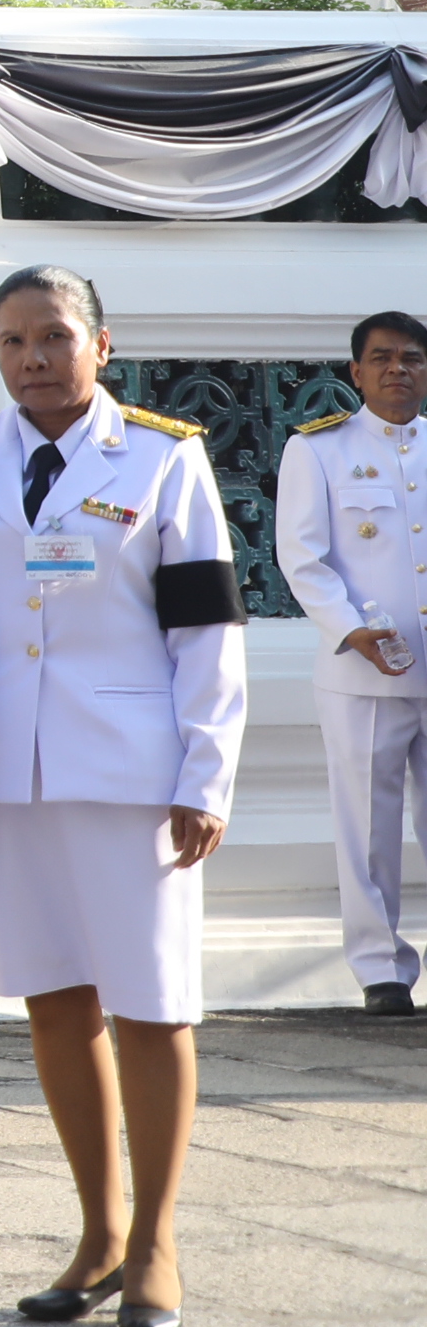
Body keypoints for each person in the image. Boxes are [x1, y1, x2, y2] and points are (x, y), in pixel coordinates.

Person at [0, 265, 247, 1327]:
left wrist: (205, 775)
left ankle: (158, 1240)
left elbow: (206, 625)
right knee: (54, 1003)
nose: (33, 357)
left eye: (54, 336)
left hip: (131, 778)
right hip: (9, 776)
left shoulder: (163, 458)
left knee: (153, 1005)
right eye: (13, 340)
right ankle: (99, 1232)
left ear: (100, 346)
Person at [280, 311, 427, 1015]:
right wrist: (350, 630)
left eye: (413, 358)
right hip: (362, 673)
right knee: (368, 826)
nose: (399, 369)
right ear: (356, 373)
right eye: (383, 358)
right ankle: (382, 971)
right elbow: (302, 558)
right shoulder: (320, 451)